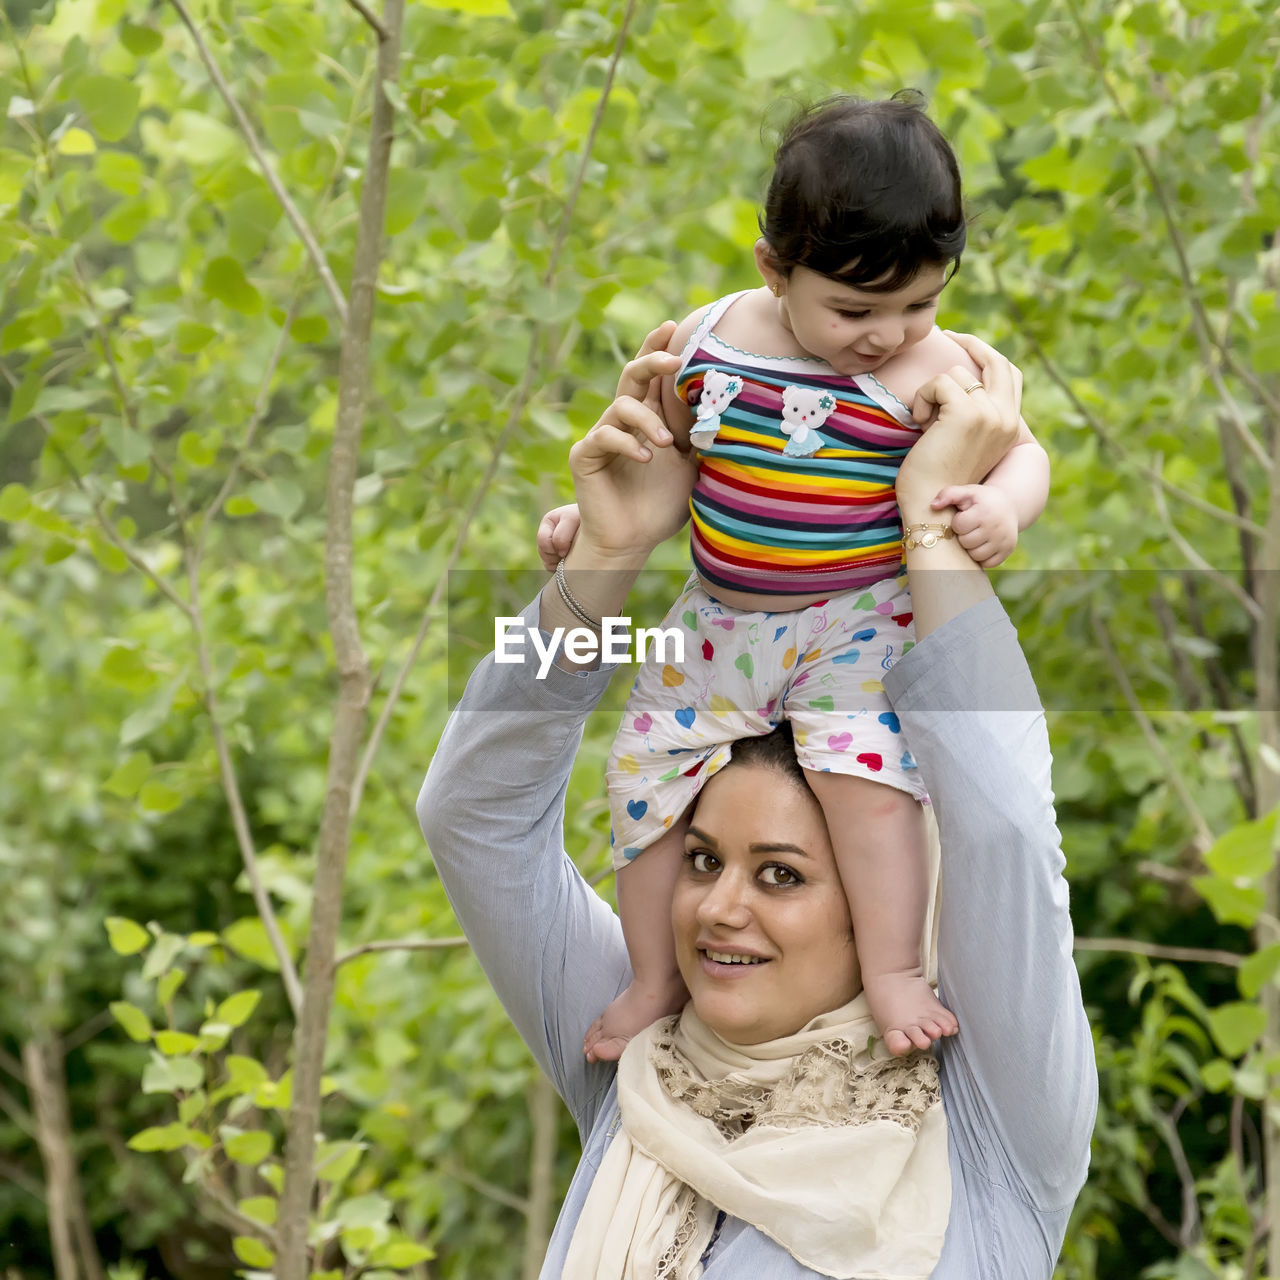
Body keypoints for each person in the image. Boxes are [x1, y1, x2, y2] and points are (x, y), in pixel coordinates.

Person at [418, 327, 1096, 1277]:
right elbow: (470, 815)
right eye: (702, 861)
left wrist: (932, 533)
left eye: (780, 875)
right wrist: (606, 560)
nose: (719, 908)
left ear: (875, 895)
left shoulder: (990, 1112)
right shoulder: (638, 1052)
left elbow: (1009, 828)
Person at [537, 93, 1051, 1062]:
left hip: (853, 619)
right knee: (638, 771)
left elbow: (1021, 451)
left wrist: (1000, 508)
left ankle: (894, 965)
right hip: (715, 616)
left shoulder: (934, 367)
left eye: (918, 303)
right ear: (774, 268)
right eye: (854, 308)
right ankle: (651, 973)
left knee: (867, 786)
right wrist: (588, 528)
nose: (886, 333)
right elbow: (663, 450)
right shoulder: (706, 340)